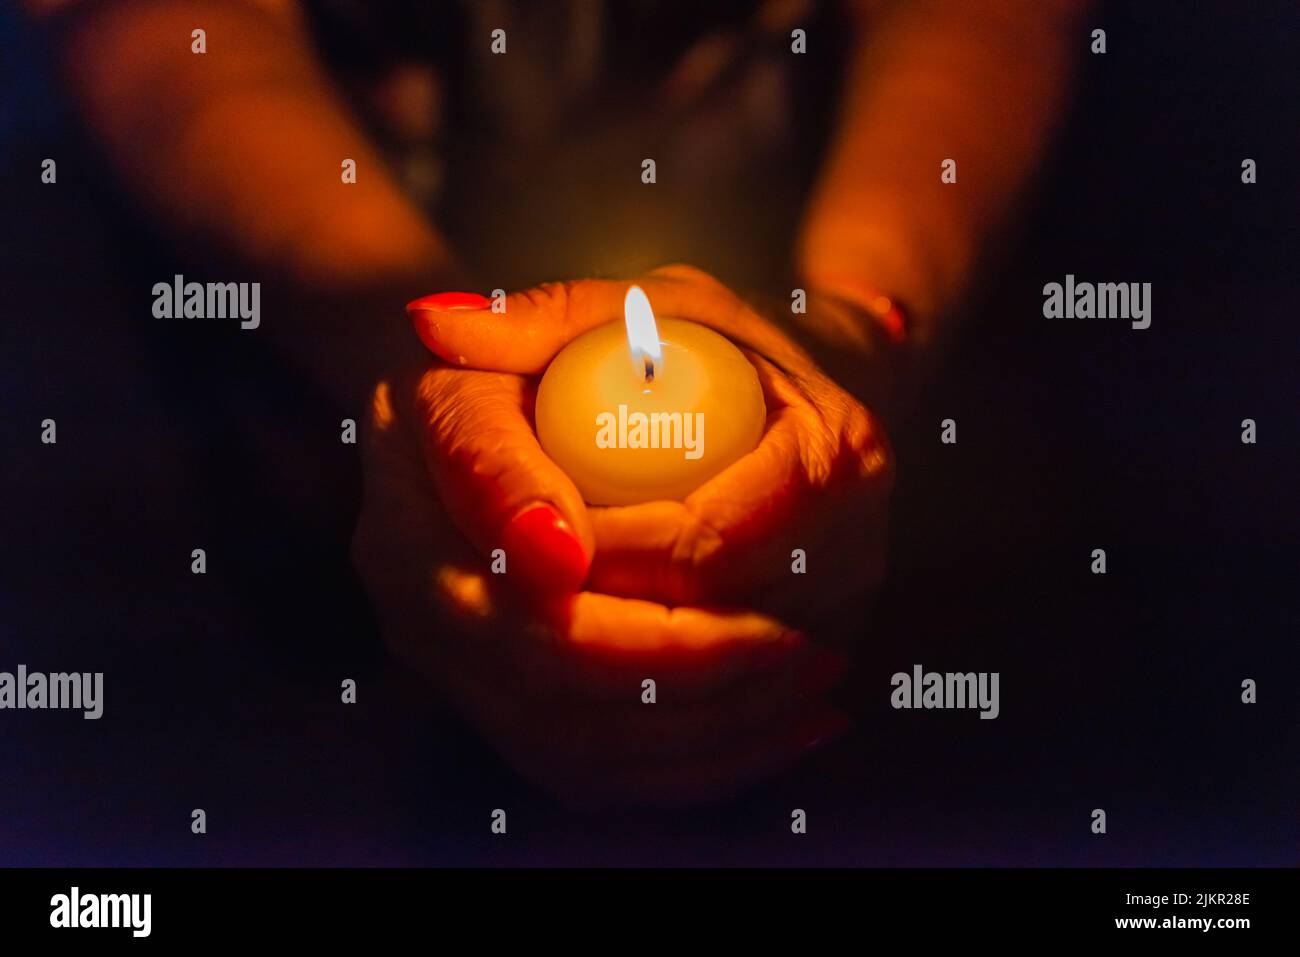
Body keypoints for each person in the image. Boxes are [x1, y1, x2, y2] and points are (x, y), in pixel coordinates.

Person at [26, 0, 1087, 806]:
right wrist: (397, 359)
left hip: (841, 189)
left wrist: (856, 328)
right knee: (331, 681)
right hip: (302, 227)